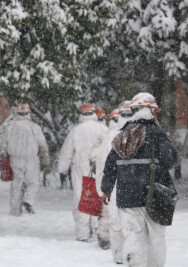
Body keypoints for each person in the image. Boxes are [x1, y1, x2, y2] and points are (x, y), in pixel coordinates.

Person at [101, 93, 178, 267]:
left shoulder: (122, 135)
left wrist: (106, 189)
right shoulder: (157, 133)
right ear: (151, 111)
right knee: (156, 239)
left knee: (133, 236)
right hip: (154, 196)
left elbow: (110, 165)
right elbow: (171, 160)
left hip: (127, 197)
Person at [89, 102, 133, 258]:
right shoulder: (144, 133)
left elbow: (101, 162)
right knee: (133, 223)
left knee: (114, 221)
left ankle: (119, 254)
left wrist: (102, 187)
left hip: (115, 186)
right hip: (137, 187)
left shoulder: (110, 136)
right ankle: (131, 254)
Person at [58, 103, 107, 241]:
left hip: (81, 166)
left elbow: (66, 152)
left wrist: (62, 169)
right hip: (100, 166)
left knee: (82, 198)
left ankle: (83, 233)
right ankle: (99, 228)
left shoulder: (76, 130)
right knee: (98, 196)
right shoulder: (103, 129)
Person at [0, 103, 50, 216]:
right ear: (29, 113)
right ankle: (28, 201)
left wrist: (3, 156)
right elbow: (43, 145)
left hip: (15, 159)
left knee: (17, 184)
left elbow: (3, 144)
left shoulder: (10, 127)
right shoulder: (35, 127)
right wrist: (45, 159)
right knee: (33, 183)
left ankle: (15, 210)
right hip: (32, 158)